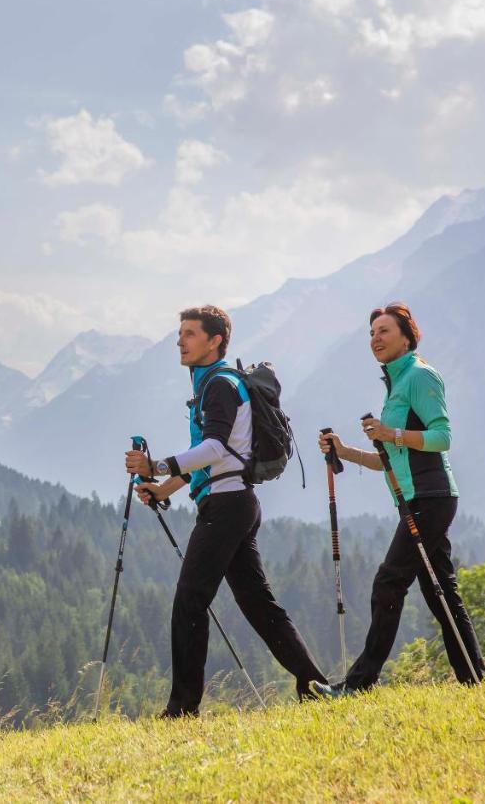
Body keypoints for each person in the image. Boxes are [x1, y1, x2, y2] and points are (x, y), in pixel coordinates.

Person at [125, 304, 328, 717]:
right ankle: (314, 684)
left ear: (215, 341)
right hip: (234, 502)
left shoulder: (217, 385)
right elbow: (216, 457)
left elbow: (216, 449)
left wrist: (157, 465)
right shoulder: (212, 385)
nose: (180, 341)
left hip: (226, 507)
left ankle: (182, 709)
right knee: (258, 604)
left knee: (189, 601)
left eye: (190, 334)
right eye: (179, 333)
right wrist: (163, 487)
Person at [317, 302, 485, 694]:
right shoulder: (396, 382)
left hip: (431, 496)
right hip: (418, 498)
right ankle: (476, 680)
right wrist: (343, 450)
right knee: (440, 591)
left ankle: (358, 686)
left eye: (384, 331)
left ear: (407, 337)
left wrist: (390, 433)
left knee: (389, 583)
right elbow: (388, 461)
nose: (375, 338)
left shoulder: (420, 376)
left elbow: (442, 438)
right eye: (372, 333)